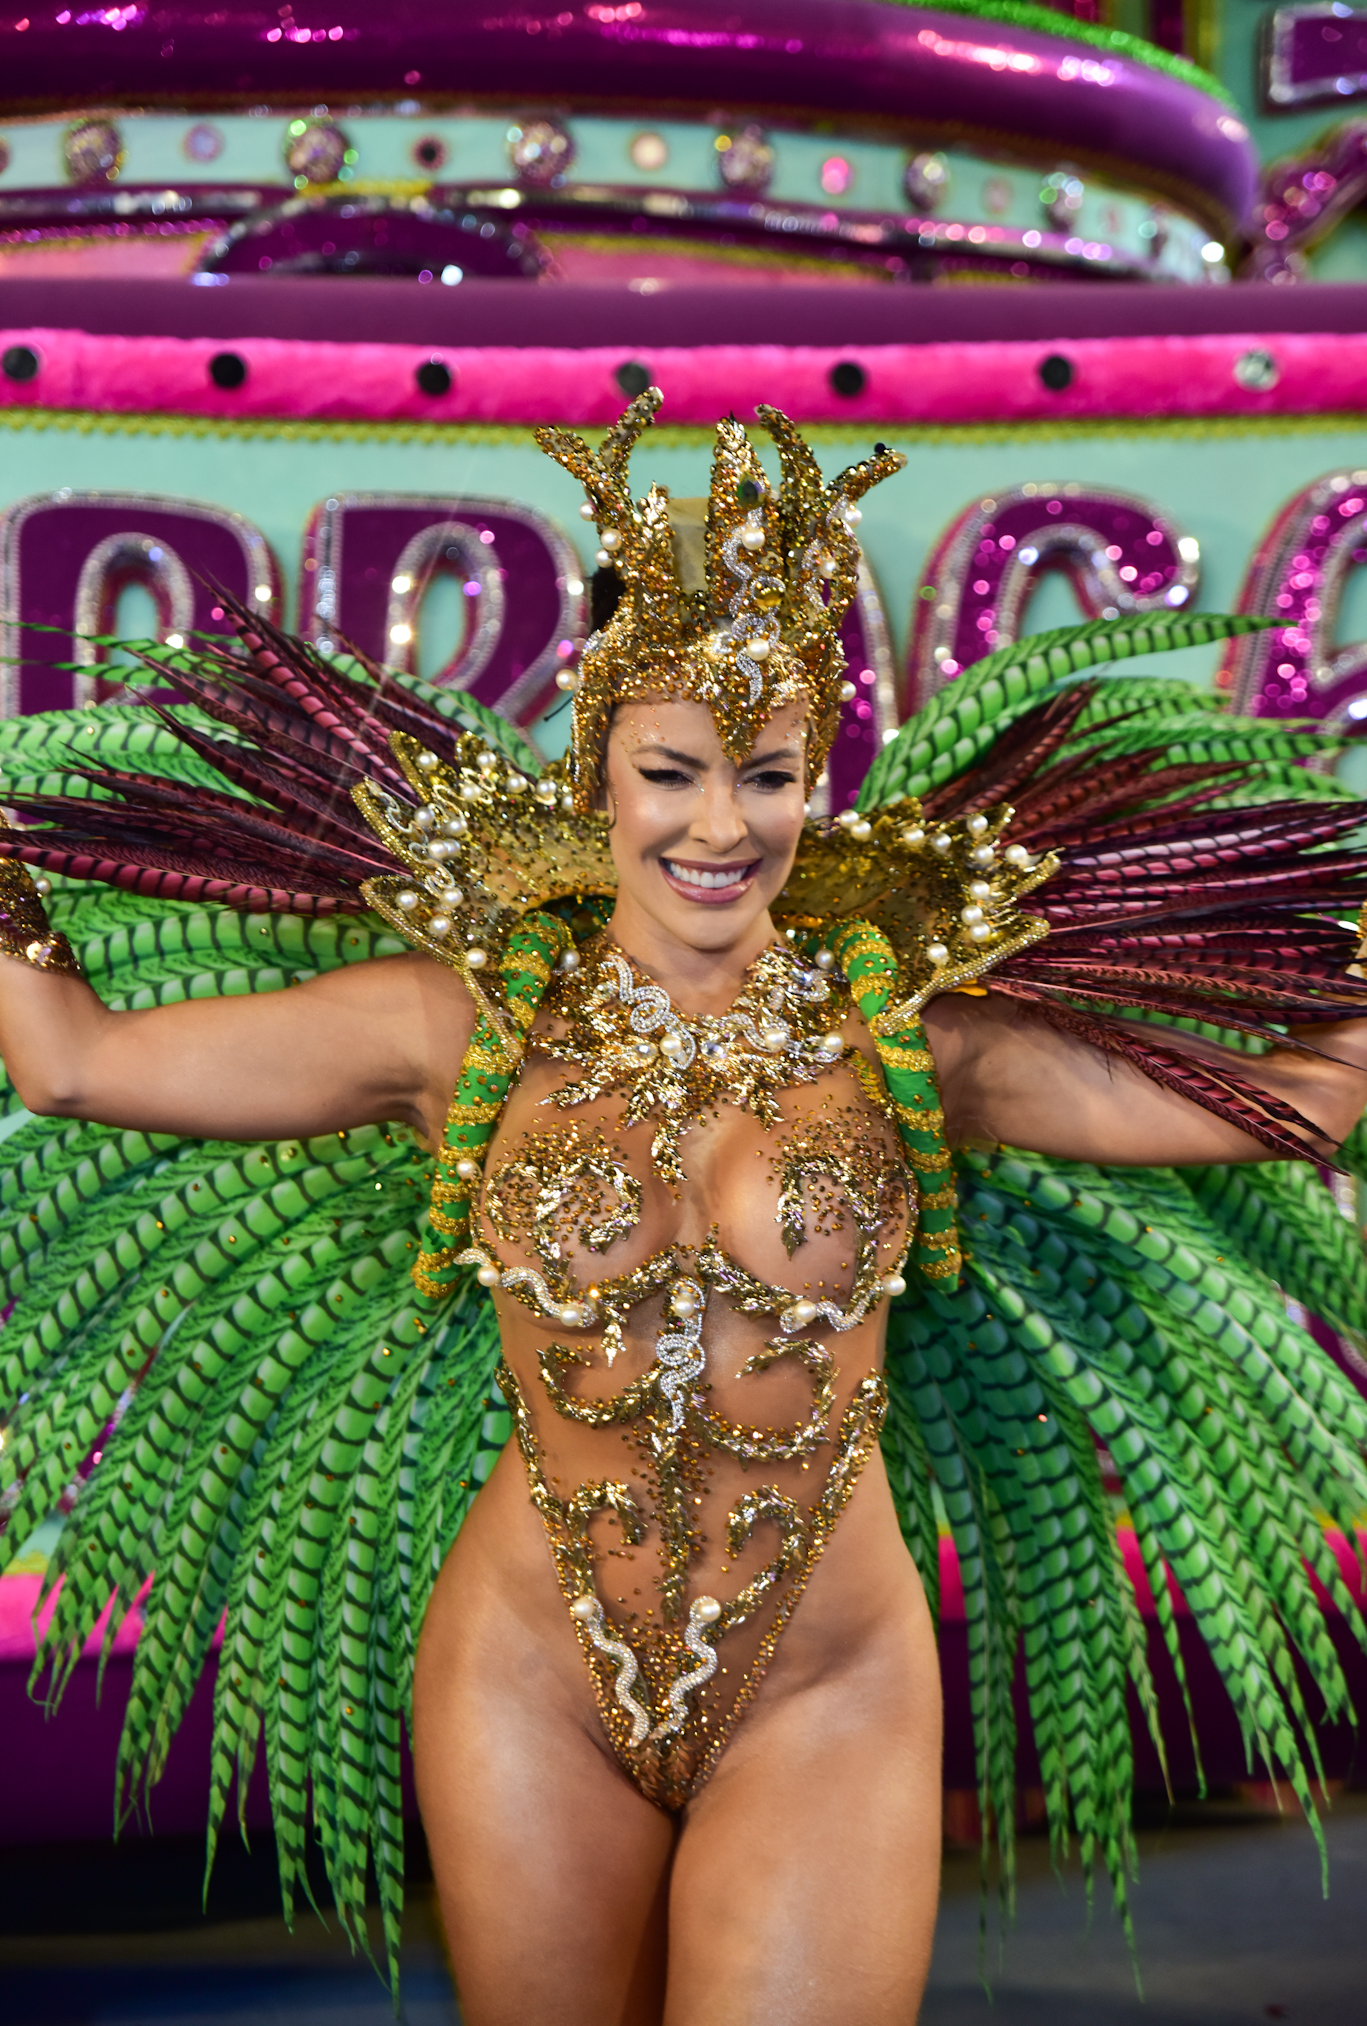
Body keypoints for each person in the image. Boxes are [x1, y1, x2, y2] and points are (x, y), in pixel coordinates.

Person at [2, 393, 1366, 2026]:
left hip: (825, 1679)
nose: (721, 827)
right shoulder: (453, 1026)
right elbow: (77, 1064)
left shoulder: (911, 1040)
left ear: (815, 783)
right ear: (603, 774)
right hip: (529, 1671)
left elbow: (1294, 1106)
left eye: (770, 776)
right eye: (674, 773)